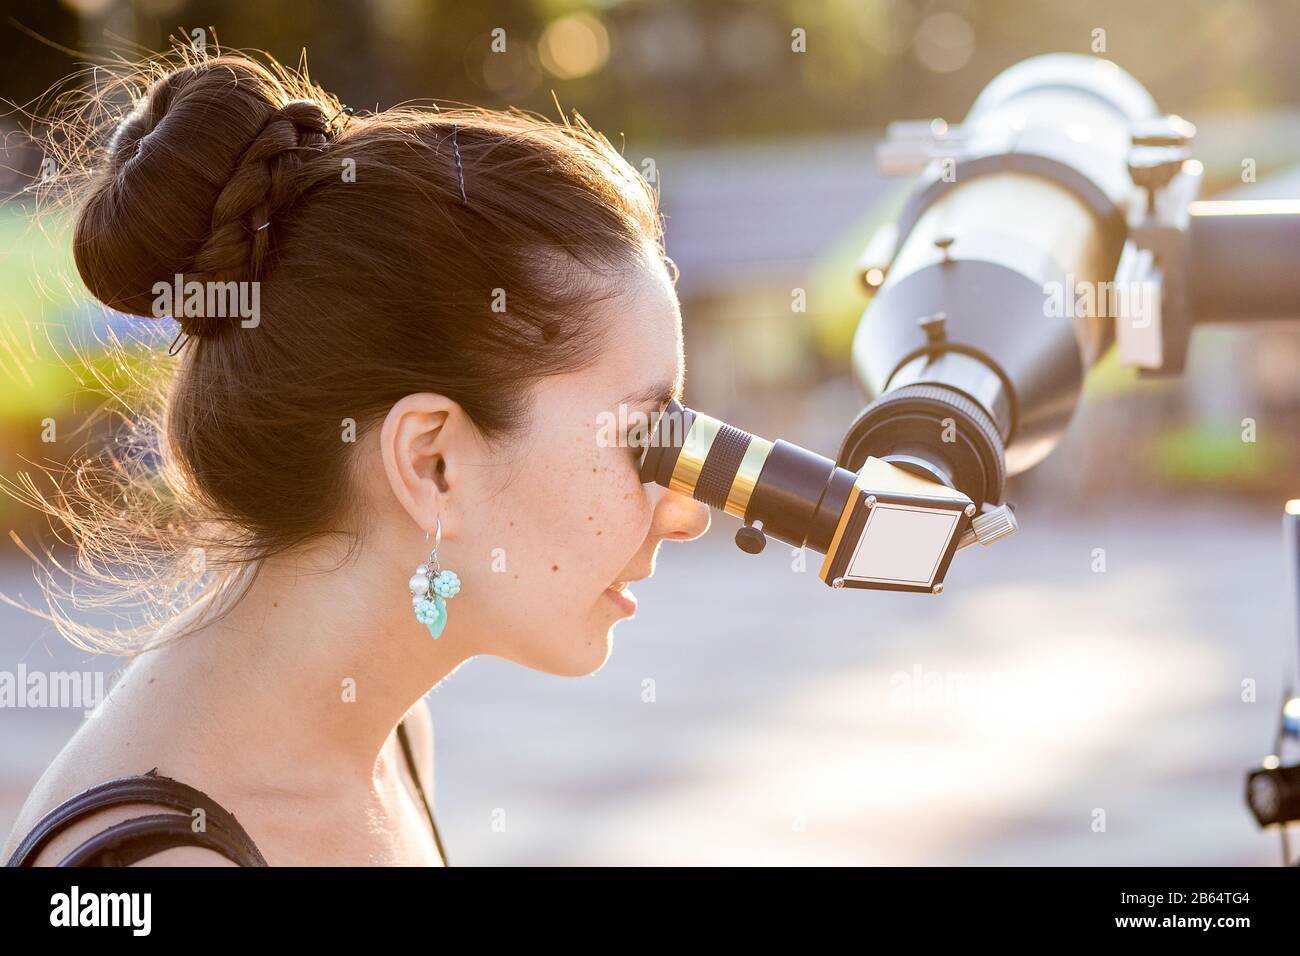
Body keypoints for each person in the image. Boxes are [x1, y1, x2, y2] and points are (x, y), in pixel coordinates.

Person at [2, 48, 709, 866]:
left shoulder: (387, 739)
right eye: (644, 437)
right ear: (431, 463)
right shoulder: (164, 862)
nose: (684, 507)